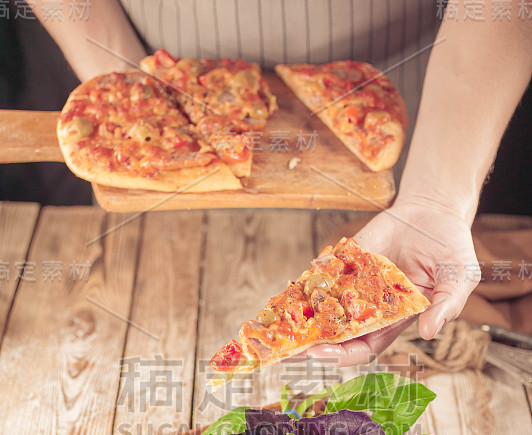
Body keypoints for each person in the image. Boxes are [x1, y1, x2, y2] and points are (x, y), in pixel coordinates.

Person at [35, 0, 532, 366]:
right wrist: (136, 99)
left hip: (418, 87)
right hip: (144, 63)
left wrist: (435, 198)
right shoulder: (128, 122)